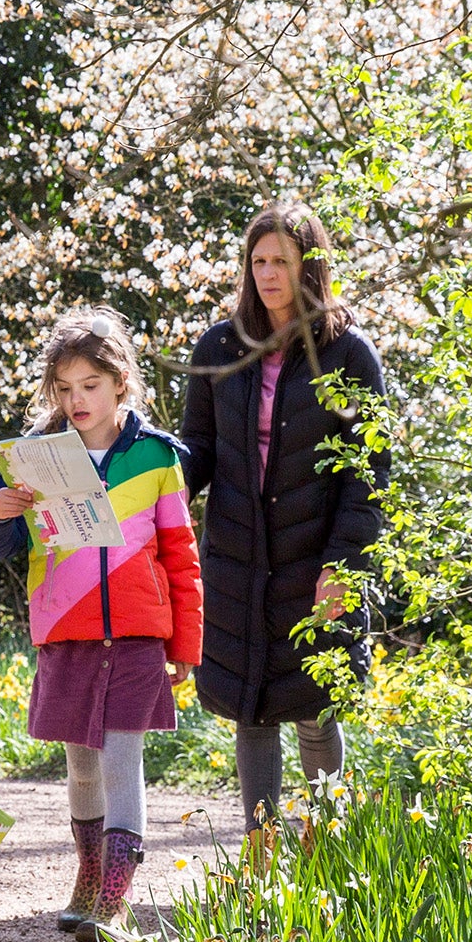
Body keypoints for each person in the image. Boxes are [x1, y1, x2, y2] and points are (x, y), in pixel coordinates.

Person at [0, 310, 204, 942]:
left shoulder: (156, 458)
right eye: (65, 388)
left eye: (90, 385)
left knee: (123, 759)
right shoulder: (36, 457)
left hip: (136, 633)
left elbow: (182, 555)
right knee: (81, 766)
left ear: (120, 382)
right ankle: (90, 875)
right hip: (67, 631)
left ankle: (116, 898)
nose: (77, 400)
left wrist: (186, 643)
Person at [176, 202, 388, 846]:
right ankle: (261, 855)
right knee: (252, 708)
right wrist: (141, 484)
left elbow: (369, 472)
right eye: (258, 261)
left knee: (316, 707)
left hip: (316, 560)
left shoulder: (350, 354)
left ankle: (327, 850)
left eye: (282, 262)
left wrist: (345, 564)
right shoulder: (219, 346)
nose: (268, 274)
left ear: (310, 267)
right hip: (238, 562)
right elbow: (198, 453)